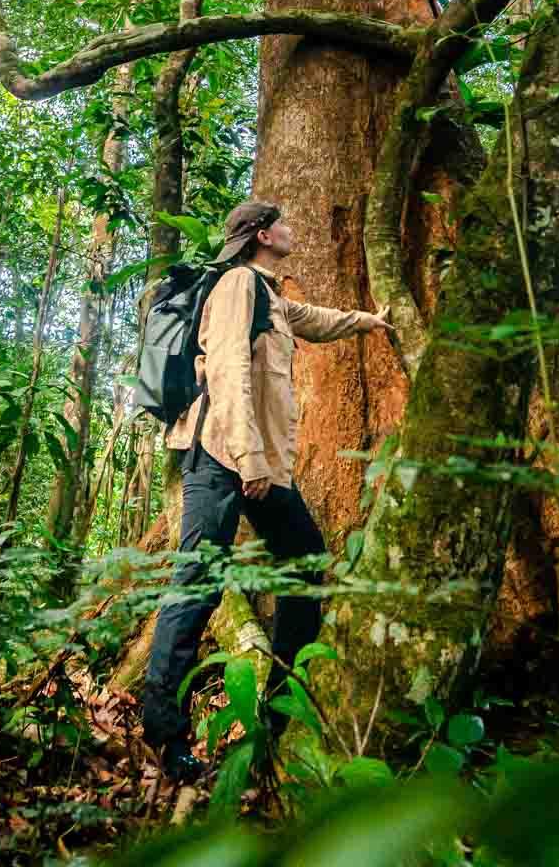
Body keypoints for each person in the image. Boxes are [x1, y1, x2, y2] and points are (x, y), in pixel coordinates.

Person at [141, 199, 392, 783]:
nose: (290, 229)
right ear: (260, 234)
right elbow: (227, 369)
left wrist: (370, 320)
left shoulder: (269, 294)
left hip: (262, 464)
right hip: (223, 456)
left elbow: (313, 319)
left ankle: (280, 713)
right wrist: (250, 458)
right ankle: (165, 733)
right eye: (281, 223)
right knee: (198, 584)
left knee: (304, 562)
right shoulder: (235, 286)